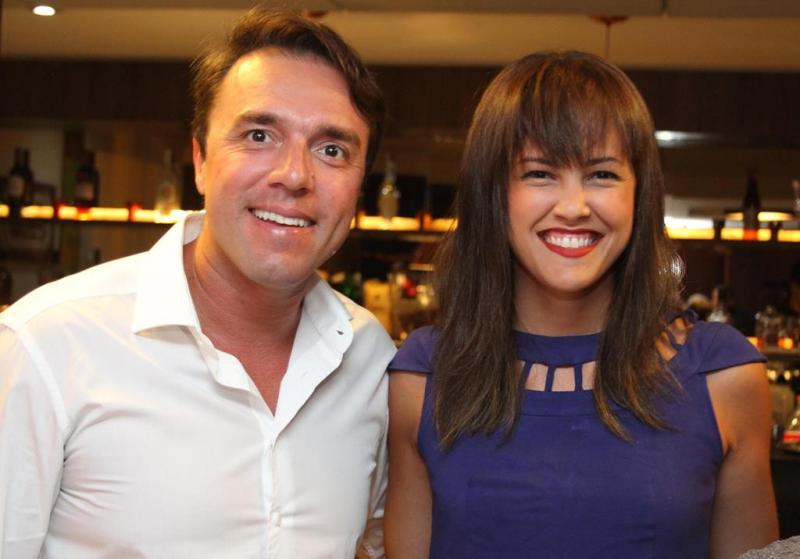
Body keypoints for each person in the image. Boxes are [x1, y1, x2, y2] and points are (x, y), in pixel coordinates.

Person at [0, 8, 394, 558]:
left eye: (333, 150)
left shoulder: (371, 358)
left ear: (359, 187)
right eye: (259, 135)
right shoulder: (47, 343)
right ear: (201, 160)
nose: (294, 175)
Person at [386, 51, 778, 558]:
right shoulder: (424, 376)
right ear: (494, 193)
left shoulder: (724, 376)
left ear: (640, 194)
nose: (573, 208)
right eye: (539, 174)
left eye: (602, 175)